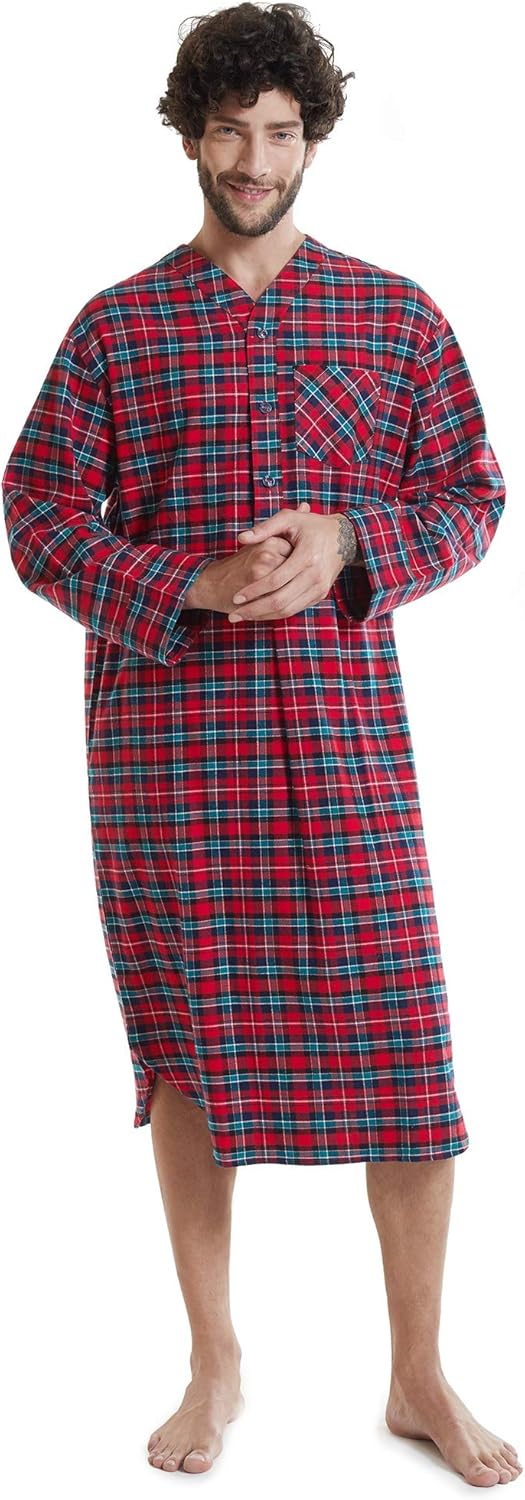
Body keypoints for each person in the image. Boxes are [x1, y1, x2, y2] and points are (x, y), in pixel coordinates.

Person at [2, 1, 520, 1485]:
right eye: (229, 130)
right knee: (188, 1045)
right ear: (190, 136)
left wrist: (357, 538)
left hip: (344, 742)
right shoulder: (116, 325)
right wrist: (187, 581)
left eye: (279, 132)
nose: (253, 159)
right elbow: (36, 517)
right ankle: (214, 1359)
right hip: (167, 749)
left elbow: (474, 495)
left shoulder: (394, 316)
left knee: (405, 1042)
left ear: (311, 140)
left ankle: (417, 1372)